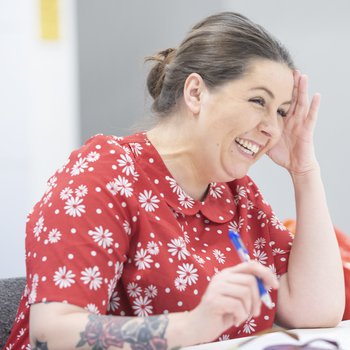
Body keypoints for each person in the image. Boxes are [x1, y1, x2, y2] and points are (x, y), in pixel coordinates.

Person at [5, 11, 345, 350]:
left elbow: (314, 310)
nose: (273, 127)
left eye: (282, 112)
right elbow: (50, 335)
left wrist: (305, 171)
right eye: (259, 101)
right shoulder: (102, 175)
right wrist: (192, 325)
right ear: (195, 93)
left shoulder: (236, 194)